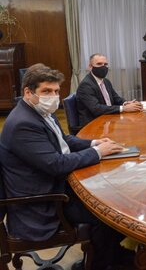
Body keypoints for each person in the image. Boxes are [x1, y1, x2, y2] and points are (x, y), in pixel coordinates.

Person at [0, 63, 130, 270]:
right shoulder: (22, 124)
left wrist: (94, 143)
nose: (53, 96)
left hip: (58, 184)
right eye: (46, 91)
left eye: (56, 91)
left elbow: (63, 139)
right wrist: (97, 153)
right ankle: (101, 263)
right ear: (28, 92)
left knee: (115, 195)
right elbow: (55, 164)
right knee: (109, 212)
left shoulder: (40, 111)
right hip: (44, 201)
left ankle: (114, 254)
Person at [76, 53, 143, 128]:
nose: (103, 67)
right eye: (99, 64)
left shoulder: (105, 81)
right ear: (90, 67)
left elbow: (115, 98)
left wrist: (127, 103)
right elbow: (96, 109)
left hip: (108, 119)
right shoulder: (86, 85)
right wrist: (124, 108)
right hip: (93, 125)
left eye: (105, 64)